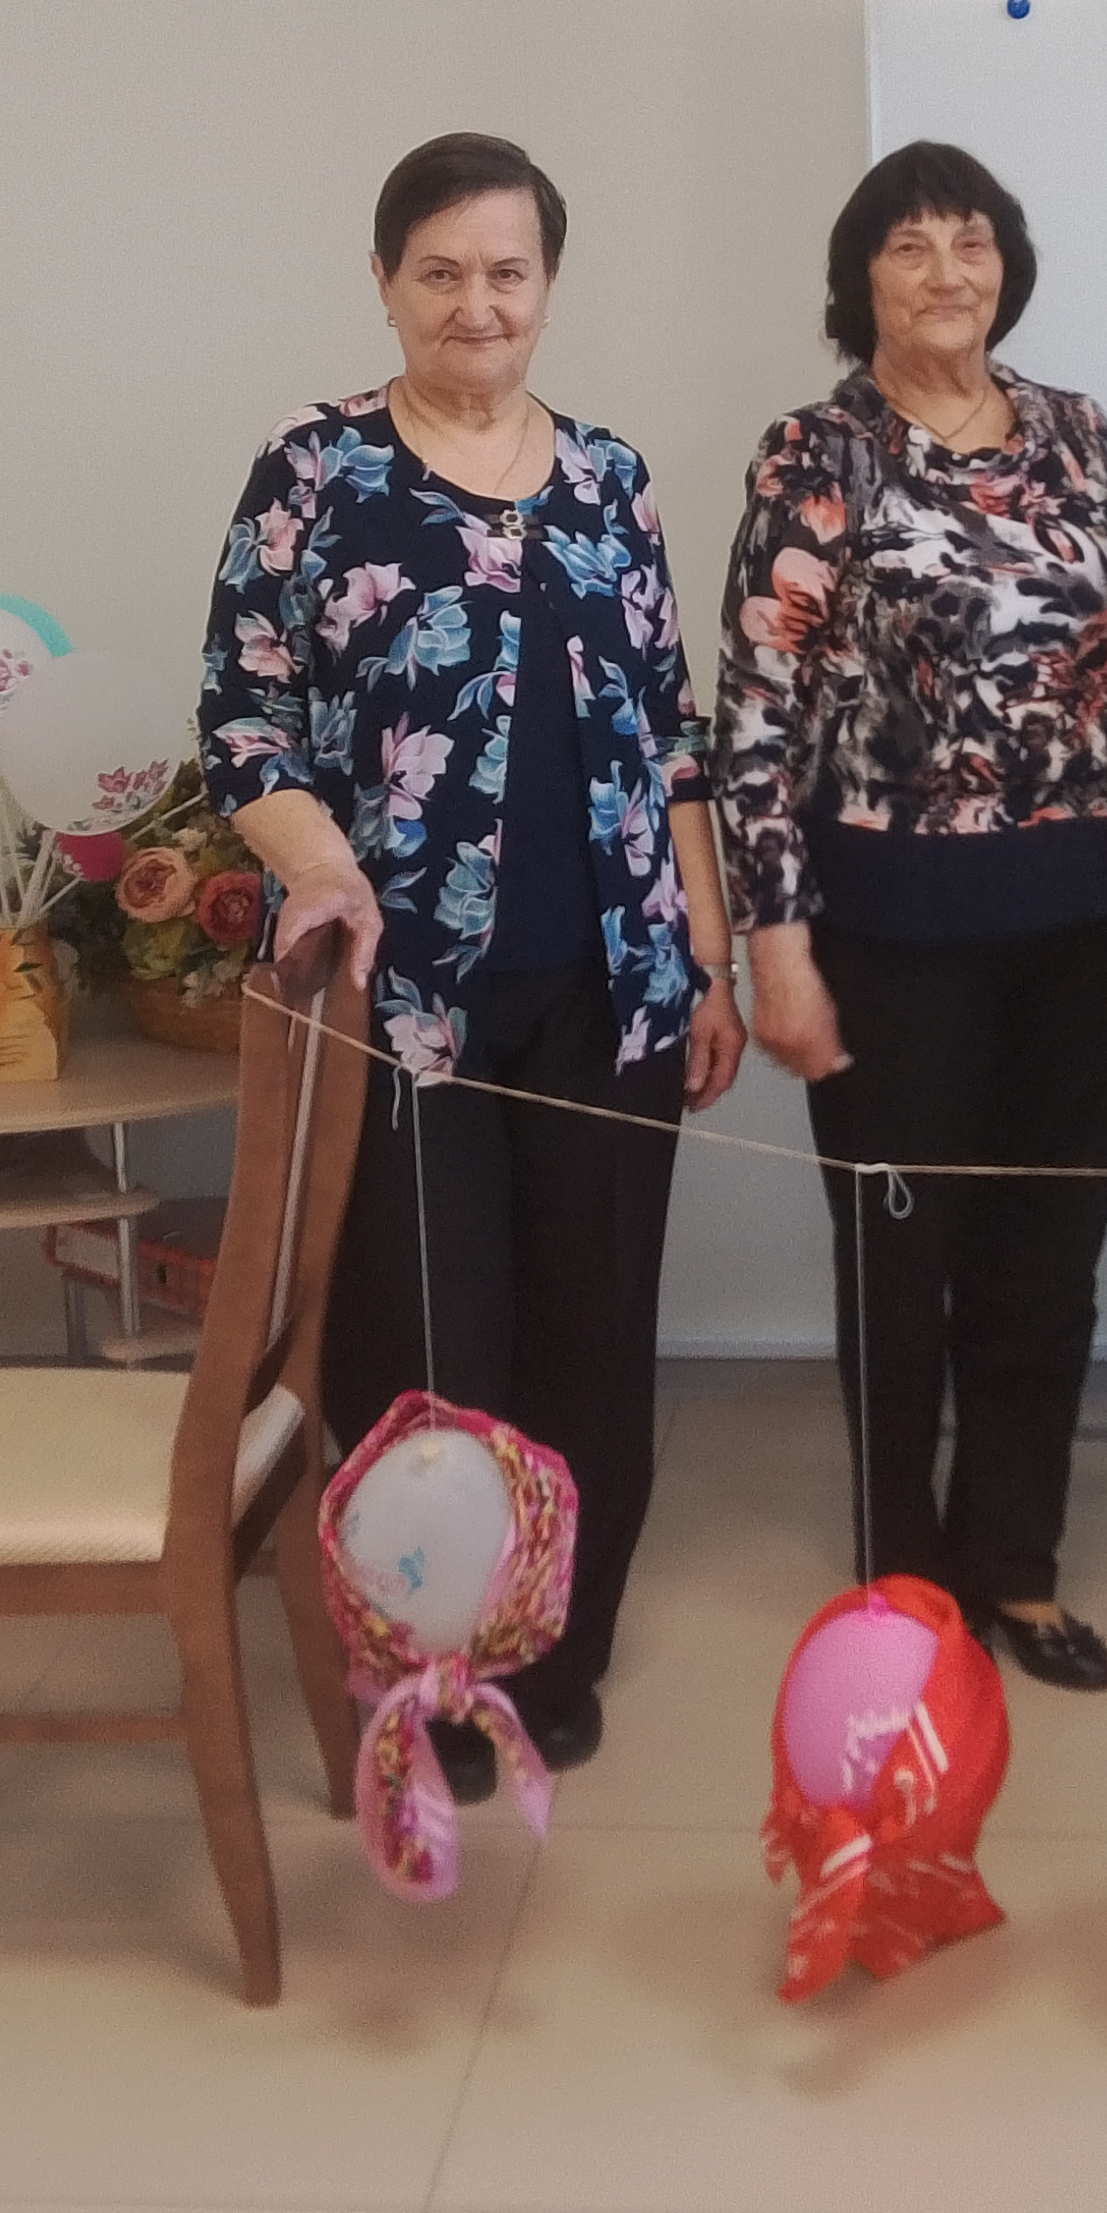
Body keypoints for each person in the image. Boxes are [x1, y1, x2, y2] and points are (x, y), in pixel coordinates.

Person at [202, 132, 746, 1788]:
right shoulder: (315, 471)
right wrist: (321, 865)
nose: (476, 302)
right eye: (439, 271)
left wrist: (708, 958)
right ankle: (430, 1673)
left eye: (507, 271)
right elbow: (245, 721)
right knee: (430, 1348)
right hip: (406, 997)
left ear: (548, 284)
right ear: (385, 281)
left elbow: (672, 739)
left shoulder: (613, 478)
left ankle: (556, 1652)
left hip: (612, 990)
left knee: (592, 1331)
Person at [715, 141, 1107, 1694]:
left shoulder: (1080, 432)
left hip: (1069, 922)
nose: (948, 270)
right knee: (902, 1269)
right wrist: (775, 947)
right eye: (911, 245)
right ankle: (904, 1577)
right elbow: (755, 715)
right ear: (863, 280)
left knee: (1047, 1260)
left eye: (972, 240)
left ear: (1006, 265)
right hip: (886, 930)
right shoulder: (817, 452)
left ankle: (1017, 1565)